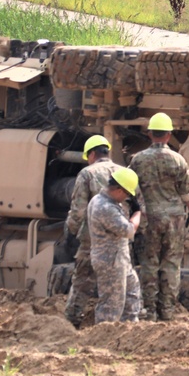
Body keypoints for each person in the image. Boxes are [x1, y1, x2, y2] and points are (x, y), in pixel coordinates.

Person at [129, 113, 189, 321]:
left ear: (150, 134)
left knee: (149, 264)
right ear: (169, 135)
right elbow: (187, 193)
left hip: (148, 219)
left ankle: (148, 311)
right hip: (174, 219)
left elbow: (130, 189)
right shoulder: (178, 160)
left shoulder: (138, 160)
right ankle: (167, 310)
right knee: (171, 264)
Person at [64, 134, 136, 327]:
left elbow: (78, 210)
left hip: (92, 237)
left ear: (92, 154)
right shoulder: (122, 171)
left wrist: (70, 234)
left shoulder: (87, 173)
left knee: (81, 282)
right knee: (123, 286)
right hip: (118, 238)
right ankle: (127, 326)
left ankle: (72, 321)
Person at [87, 167, 144, 324]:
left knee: (132, 293)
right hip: (110, 261)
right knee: (112, 305)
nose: (126, 198)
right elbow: (128, 230)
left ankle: (128, 330)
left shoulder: (105, 201)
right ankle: (103, 338)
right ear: (119, 189)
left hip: (119, 259)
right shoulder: (105, 207)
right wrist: (137, 213)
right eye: (126, 193)